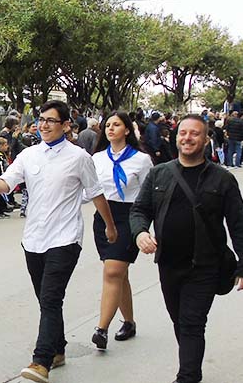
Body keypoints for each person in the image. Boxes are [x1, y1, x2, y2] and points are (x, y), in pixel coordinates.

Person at [0, 100, 117, 383]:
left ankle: (41, 361)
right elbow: (8, 181)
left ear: (65, 125)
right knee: (46, 299)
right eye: (41, 120)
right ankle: (58, 349)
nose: (44, 125)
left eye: (51, 120)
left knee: (51, 297)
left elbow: (96, 193)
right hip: (34, 238)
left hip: (65, 238)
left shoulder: (79, 157)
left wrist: (110, 227)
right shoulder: (29, 155)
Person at [131, 114, 243, 383]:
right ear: (176, 137)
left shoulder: (222, 179)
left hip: (205, 266)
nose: (187, 138)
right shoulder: (159, 173)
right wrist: (140, 232)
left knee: (191, 322)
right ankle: (191, 366)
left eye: (195, 133)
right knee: (180, 321)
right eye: (183, 133)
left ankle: (187, 376)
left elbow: (238, 224)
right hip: (168, 264)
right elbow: (140, 210)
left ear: (206, 139)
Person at [87, 112, 153, 350]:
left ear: (127, 130)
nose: (111, 128)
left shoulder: (142, 160)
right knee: (119, 274)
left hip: (130, 217)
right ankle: (129, 322)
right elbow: (89, 190)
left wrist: (146, 228)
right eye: (108, 125)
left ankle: (101, 329)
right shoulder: (96, 158)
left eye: (116, 125)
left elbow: (149, 195)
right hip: (104, 217)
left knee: (113, 271)